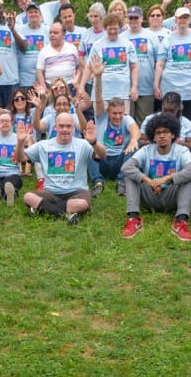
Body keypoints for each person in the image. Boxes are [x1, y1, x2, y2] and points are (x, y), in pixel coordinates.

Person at [16, 112, 106, 224]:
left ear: (73, 127)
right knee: (28, 197)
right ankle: (64, 215)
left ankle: (43, 208)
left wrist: (94, 142)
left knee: (82, 204)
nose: (65, 129)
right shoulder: (44, 145)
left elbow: (101, 155)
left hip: (76, 192)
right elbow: (21, 158)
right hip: (51, 192)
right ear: (55, 127)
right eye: (61, 126)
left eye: (68, 126)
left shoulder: (82, 144)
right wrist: (20, 143)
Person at [121, 113, 191, 241]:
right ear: (153, 137)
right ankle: (133, 219)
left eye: (166, 132)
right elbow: (126, 167)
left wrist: (166, 179)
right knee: (131, 176)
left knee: (188, 178)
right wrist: (148, 181)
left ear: (173, 134)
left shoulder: (181, 150)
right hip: (149, 194)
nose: (162, 135)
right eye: (158, 133)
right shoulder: (146, 150)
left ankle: (181, 221)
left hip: (171, 195)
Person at [88, 59, 140, 195]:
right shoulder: (101, 117)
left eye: (120, 113)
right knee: (89, 146)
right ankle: (98, 182)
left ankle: (122, 182)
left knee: (135, 143)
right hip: (102, 159)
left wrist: (134, 139)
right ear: (108, 112)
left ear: (124, 111)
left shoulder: (126, 118)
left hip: (120, 162)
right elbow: (98, 98)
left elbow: (135, 129)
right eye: (114, 113)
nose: (117, 116)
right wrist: (98, 77)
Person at [155, 7, 191, 121]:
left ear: (189, 20)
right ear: (175, 20)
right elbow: (160, 64)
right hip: (170, 87)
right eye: (180, 18)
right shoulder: (168, 39)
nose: (183, 20)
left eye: (185, 17)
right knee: (169, 120)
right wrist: (156, 85)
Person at [80, 14, 138, 106]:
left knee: (122, 119)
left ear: (119, 27)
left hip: (122, 92)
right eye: (110, 29)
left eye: (115, 28)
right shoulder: (97, 45)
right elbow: (88, 67)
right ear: (105, 28)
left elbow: (134, 67)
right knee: (101, 119)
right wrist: (81, 86)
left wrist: (134, 87)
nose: (112, 31)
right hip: (102, 92)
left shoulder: (128, 44)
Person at [124, 6, 164, 124]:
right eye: (130, 18)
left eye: (136, 18)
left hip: (147, 87)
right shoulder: (122, 37)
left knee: (144, 123)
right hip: (126, 88)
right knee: (127, 122)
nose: (133, 21)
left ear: (141, 19)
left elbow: (159, 62)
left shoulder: (151, 36)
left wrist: (157, 84)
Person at [36, 22, 83, 88]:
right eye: (50, 32)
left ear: (63, 34)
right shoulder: (44, 51)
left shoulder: (72, 48)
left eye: (55, 33)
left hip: (71, 86)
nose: (52, 35)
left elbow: (79, 67)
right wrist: (44, 88)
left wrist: (78, 84)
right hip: (51, 87)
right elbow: (39, 71)